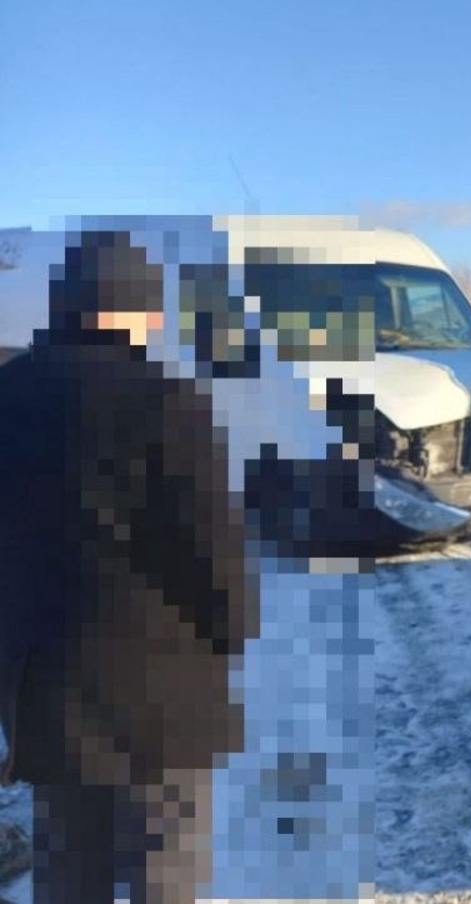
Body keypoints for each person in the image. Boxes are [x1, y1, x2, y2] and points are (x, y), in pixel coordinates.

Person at [0, 230, 258, 903]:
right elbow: (216, 555)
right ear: (137, 310)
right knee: (162, 872)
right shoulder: (173, 401)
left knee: (68, 870)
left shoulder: (9, 393)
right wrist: (230, 636)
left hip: (45, 689)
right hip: (163, 688)